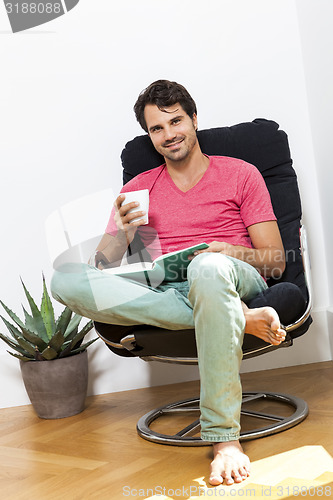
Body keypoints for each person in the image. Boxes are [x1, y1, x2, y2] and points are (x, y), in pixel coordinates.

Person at [51, 80, 287, 486]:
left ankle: (223, 438)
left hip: (228, 274)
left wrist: (227, 252)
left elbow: (277, 261)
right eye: (156, 128)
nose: (168, 134)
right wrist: (120, 233)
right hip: (163, 286)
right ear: (150, 135)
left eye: (175, 121)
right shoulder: (138, 187)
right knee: (65, 279)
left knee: (205, 269)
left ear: (194, 120)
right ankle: (240, 319)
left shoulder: (240, 174)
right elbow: (102, 265)